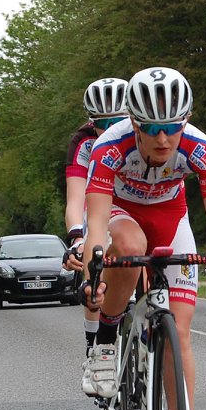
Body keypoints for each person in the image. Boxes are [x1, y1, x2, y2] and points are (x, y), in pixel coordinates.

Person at [71, 66, 206, 410]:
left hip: (173, 220)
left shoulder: (201, 149)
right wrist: (94, 267)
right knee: (128, 245)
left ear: (184, 122)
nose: (163, 139)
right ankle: (106, 342)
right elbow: (95, 222)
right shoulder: (108, 149)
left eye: (172, 127)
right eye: (151, 128)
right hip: (121, 213)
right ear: (133, 122)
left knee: (180, 331)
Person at [64, 77, 129, 364]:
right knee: (95, 261)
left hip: (137, 203)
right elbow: (77, 197)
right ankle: (94, 346)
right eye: (102, 123)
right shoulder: (84, 142)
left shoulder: (142, 135)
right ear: (92, 122)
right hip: (100, 203)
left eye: (118, 121)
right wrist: (77, 236)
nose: (110, 129)